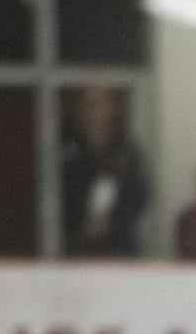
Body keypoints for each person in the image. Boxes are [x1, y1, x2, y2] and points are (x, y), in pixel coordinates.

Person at [61, 86, 150, 258]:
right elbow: (58, 194)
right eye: (87, 105)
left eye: (98, 104)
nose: (93, 111)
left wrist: (111, 222)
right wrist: (83, 222)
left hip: (120, 248)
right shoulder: (68, 150)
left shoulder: (127, 150)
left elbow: (140, 193)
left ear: (111, 107)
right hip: (76, 248)